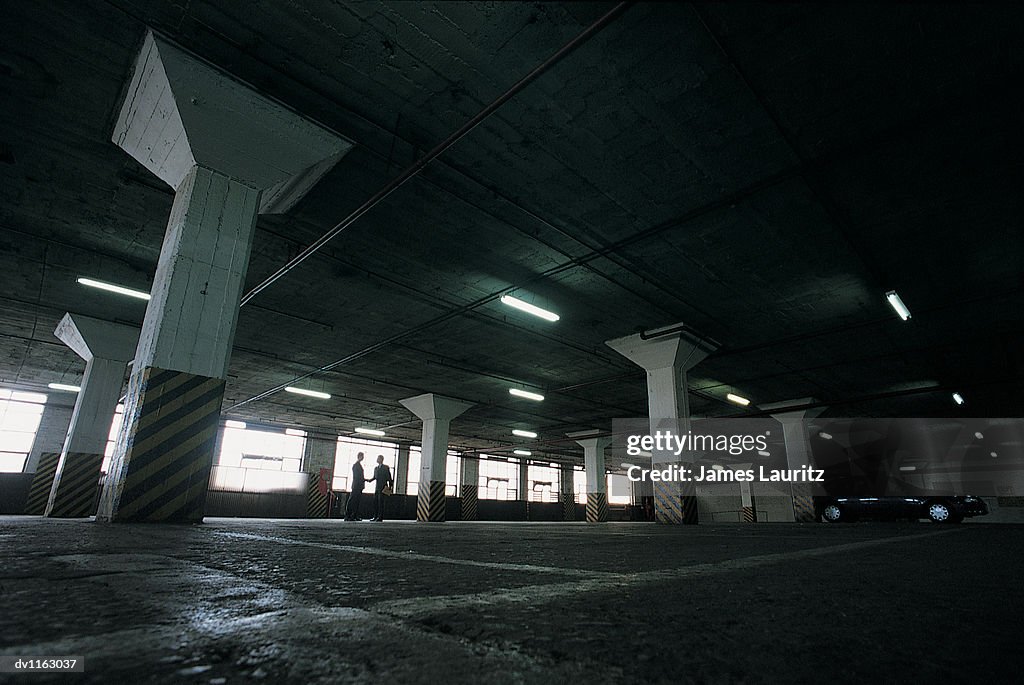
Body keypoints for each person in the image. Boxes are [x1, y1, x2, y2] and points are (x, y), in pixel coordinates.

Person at [366, 454, 394, 522]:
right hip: (377, 487)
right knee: (375, 502)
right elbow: (374, 477)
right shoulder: (376, 468)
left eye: (378, 458)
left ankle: (380, 517)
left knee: (381, 503)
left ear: (381, 459)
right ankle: (375, 516)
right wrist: (369, 480)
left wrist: (390, 486)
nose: (377, 459)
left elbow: (389, 477)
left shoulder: (385, 467)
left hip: (383, 487)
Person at [345, 452, 366, 521]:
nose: (363, 457)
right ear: (359, 456)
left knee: (356, 501)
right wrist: (364, 480)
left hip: (358, 486)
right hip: (356, 486)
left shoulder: (358, 465)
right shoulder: (356, 465)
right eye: (362, 456)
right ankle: (348, 515)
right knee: (352, 500)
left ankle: (354, 515)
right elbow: (357, 477)